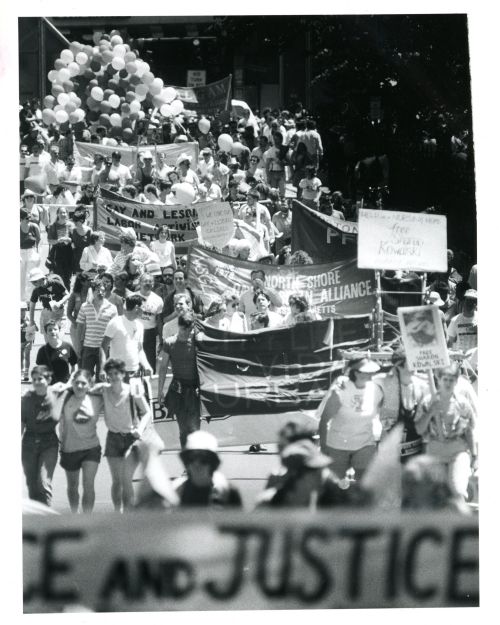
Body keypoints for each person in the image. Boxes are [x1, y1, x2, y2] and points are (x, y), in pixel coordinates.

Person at [94, 358, 153, 511]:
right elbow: (81, 389)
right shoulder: (104, 390)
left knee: (126, 480)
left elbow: (147, 412)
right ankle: (117, 513)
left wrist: (139, 429)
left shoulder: (132, 390)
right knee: (117, 480)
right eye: (110, 373)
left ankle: (129, 515)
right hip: (113, 438)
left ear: (122, 374)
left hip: (130, 439)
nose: (114, 376)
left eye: (117, 373)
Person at [415, 363, 477, 501]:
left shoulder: (462, 404)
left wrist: (474, 455)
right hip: (435, 453)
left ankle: (460, 520)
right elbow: (419, 429)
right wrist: (431, 412)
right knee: (435, 496)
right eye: (445, 379)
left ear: (456, 381)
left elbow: (469, 431)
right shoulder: (428, 402)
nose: (448, 383)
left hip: (457, 453)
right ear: (438, 379)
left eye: (451, 380)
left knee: (458, 491)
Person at [318, 357, 384, 481]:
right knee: (336, 484)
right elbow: (324, 420)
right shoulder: (340, 391)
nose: (371, 374)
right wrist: (323, 446)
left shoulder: (376, 390)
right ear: (356, 373)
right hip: (337, 445)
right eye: (366, 372)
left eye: (372, 372)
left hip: (365, 443)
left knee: (365, 483)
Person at [56, 370, 103, 513]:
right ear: (72, 384)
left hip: (91, 448)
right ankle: (74, 516)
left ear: (90, 385)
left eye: (84, 383)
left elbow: (117, 394)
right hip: (69, 449)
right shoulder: (64, 398)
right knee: (73, 486)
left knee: (88, 484)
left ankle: (87, 520)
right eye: (77, 383)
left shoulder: (97, 399)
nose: (80, 386)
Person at [256, 439, 350, 508]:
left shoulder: (334, 501)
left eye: (321, 468)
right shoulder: (268, 503)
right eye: (315, 470)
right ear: (294, 474)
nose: (323, 473)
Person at [377, 348, 429, 462]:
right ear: (399, 366)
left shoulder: (422, 386)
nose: (416, 365)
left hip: (415, 447)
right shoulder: (384, 383)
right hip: (391, 448)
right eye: (411, 363)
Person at [157, 311, 200, 448]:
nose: (186, 332)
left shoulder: (197, 342)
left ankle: (196, 464)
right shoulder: (169, 342)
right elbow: (163, 367)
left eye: (189, 329)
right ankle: (188, 464)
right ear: (178, 326)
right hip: (178, 391)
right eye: (183, 329)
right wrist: (160, 391)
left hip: (195, 390)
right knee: (183, 429)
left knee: (194, 429)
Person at [21, 366, 60, 506]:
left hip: (49, 443)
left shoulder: (57, 394)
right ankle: (38, 520)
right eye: (34, 379)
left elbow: (77, 383)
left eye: (41, 378)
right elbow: (21, 424)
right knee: (32, 485)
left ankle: (47, 519)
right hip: (29, 443)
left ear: (48, 379)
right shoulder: (26, 399)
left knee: (44, 483)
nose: (37, 382)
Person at [173, 431, 242, 507]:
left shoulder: (227, 491)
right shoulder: (175, 491)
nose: (196, 463)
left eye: (203, 458)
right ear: (186, 461)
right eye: (191, 458)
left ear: (213, 462)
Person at [100, 294, 153, 380]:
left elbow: (140, 349)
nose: (144, 310)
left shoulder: (140, 326)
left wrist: (146, 365)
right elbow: (103, 346)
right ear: (136, 307)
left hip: (135, 373)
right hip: (116, 372)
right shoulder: (115, 322)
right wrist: (103, 368)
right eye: (143, 307)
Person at [76, 278, 118, 380]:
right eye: (98, 290)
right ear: (92, 291)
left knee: (103, 379)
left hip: (105, 349)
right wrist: (79, 345)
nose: (100, 293)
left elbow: (115, 330)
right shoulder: (85, 306)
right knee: (85, 377)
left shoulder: (112, 308)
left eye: (103, 290)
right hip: (88, 347)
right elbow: (80, 327)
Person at [29, 268, 70, 336]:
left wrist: (59, 303)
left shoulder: (55, 283)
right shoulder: (36, 290)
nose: (33, 283)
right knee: (48, 341)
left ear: (42, 278)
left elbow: (67, 295)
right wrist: (32, 321)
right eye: (32, 282)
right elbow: (32, 305)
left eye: (35, 281)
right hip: (46, 313)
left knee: (58, 338)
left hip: (60, 312)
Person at [136, 272, 164, 373]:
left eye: (150, 281)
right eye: (145, 281)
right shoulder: (132, 297)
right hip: (134, 333)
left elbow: (159, 321)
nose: (147, 283)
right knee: (135, 364)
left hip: (150, 334)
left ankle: (148, 386)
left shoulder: (158, 300)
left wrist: (161, 340)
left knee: (150, 364)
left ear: (153, 284)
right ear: (140, 282)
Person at [35, 319, 78, 383]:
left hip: (64, 385)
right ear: (46, 332)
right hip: (49, 386)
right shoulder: (42, 350)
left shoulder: (67, 346)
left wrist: (71, 381)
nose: (53, 331)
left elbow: (74, 365)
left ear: (59, 331)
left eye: (55, 329)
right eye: (50, 330)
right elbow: (39, 370)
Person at [47, 206, 75, 289]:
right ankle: (59, 296)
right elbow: (49, 240)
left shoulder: (71, 225)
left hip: (69, 252)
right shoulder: (53, 225)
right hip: (57, 252)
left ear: (67, 214)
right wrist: (57, 241)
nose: (63, 214)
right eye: (61, 212)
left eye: (65, 212)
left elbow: (75, 240)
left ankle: (67, 296)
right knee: (58, 275)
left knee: (68, 275)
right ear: (57, 214)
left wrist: (68, 239)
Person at [66, 272, 92, 358]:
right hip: (77, 328)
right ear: (82, 282)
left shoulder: (93, 293)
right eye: (88, 280)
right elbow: (69, 314)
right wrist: (77, 324)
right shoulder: (74, 295)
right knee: (79, 353)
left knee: (90, 353)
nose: (91, 281)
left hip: (90, 328)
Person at [20, 208, 41, 303]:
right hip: (20, 252)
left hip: (31, 252)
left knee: (31, 276)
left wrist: (37, 253)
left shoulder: (34, 226)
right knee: (20, 276)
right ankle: (21, 300)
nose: (28, 219)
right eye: (25, 218)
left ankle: (30, 300)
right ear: (21, 218)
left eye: (29, 217)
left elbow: (39, 239)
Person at [70, 207, 91, 274]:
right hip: (77, 257)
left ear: (81, 221)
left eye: (76, 221)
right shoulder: (72, 230)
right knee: (78, 277)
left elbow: (92, 245)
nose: (74, 222)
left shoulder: (89, 230)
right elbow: (71, 243)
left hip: (87, 257)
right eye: (74, 221)